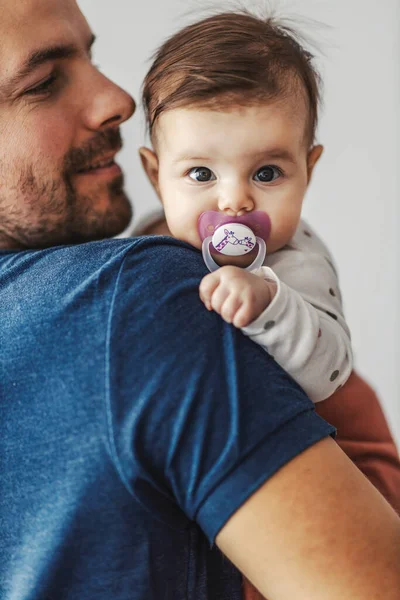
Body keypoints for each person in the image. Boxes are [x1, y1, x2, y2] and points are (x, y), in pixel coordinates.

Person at [1, 2, 400, 600]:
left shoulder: (243, 267)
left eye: (266, 171)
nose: (119, 100)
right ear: (157, 171)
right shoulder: (144, 295)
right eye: (42, 82)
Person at [138, 11, 352, 404]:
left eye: (267, 172)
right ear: (156, 175)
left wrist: (270, 302)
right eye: (202, 174)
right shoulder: (147, 238)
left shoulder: (297, 263)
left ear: (307, 169)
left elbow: (333, 369)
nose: (235, 200)